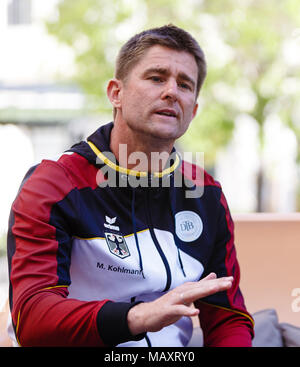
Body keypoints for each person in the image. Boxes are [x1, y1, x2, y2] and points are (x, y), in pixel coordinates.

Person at [7, 24, 254, 347]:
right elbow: (33, 318)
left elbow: (228, 317)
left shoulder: (205, 193)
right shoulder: (53, 183)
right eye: (156, 77)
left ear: (193, 111)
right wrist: (138, 317)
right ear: (116, 93)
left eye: (184, 84)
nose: (171, 92)